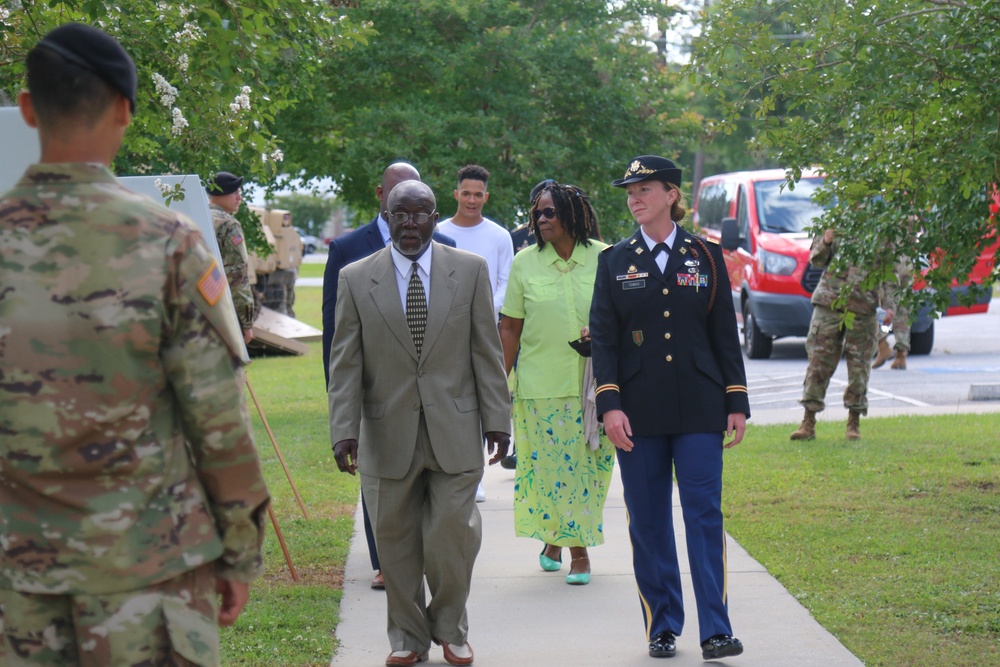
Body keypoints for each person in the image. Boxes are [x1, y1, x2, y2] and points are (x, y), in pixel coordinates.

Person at [0, 23, 270, 666]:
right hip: (150, 572)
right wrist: (240, 550)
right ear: (125, 108)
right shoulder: (169, 243)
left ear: (30, 108)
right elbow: (216, 416)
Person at [328, 180, 511, 667]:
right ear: (386, 217)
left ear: (435, 217)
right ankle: (408, 639)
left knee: (453, 536)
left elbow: (486, 353)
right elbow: (344, 363)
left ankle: (451, 628)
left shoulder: (468, 271)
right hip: (385, 433)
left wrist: (498, 419)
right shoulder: (354, 277)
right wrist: (343, 428)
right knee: (395, 543)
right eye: (401, 214)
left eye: (421, 214)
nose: (411, 223)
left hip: (455, 429)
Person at [590, 155, 749, 661]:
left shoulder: (705, 256)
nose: (634, 198)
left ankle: (716, 630)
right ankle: (662, 624)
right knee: (649, 521)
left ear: (672, 196)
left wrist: (736, 400)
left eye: (645, 189)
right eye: (630, 191)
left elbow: (725, 334)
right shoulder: (614, 260)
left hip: (701, 407)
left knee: (704, 515)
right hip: (637, 411)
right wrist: (609, 406)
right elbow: (606, 342)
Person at [321, 161, 455, 590]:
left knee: (443, 513)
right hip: (380, 398)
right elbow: (336, 337)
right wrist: (344, 409)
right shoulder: (347, 251)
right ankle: (386, 562)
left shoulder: (449, 249)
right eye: (399, 202)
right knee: (384, 493)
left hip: (439, 407)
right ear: (382, 198)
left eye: (419, 207)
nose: (409, 219)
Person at [498, 182, 614, 586]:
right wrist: (500, 382)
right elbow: (510, 326)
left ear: (573, 214)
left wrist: (601, 336)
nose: (540, 220)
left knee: (593, 470)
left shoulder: (606, 258)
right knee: (555, 472)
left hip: (597, 387)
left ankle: (553, 541)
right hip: (541, 385)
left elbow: (624, 318)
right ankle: (578, 552)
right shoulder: (524, 263)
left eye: (549, 212)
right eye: (537, 213)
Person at [436, 164, 514, 502]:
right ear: (456, 194)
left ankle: (475, 473)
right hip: (442, 332)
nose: (471, 199)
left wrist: (479, 313)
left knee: (481, 400)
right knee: (448, 398)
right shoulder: (436, 231)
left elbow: (505, 283)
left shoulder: (499, 236)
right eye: (465, 193)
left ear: (486, 196)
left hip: (486, 330)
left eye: (478, 194)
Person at [790, 227, 895, 441]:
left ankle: (853, 422)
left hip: (864, 306)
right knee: (818, 362)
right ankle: (808, 422)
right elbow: (816, 261)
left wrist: (890, 304)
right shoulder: (835, 221)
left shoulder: (882, 224)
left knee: (859, 366)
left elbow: (889, 270)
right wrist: (826, 242)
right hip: (829, 301)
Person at [499, 178, 552, 471]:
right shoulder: (516, 237)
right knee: (523, 386)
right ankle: (522, 445)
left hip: (552, 326)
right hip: (521, 324)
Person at [207, 170, 256, 345]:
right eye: (234, 192)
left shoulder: (196, 217)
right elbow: (236, 275)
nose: (239, 197)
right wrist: (246, 321)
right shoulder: (228, 225)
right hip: (223, 311)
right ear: (220, 194)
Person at [873, 255, 912, 370]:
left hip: (890, 265)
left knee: (880, 305)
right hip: (905, 264)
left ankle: (882, 345)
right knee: (903, 310)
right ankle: (901, 354)